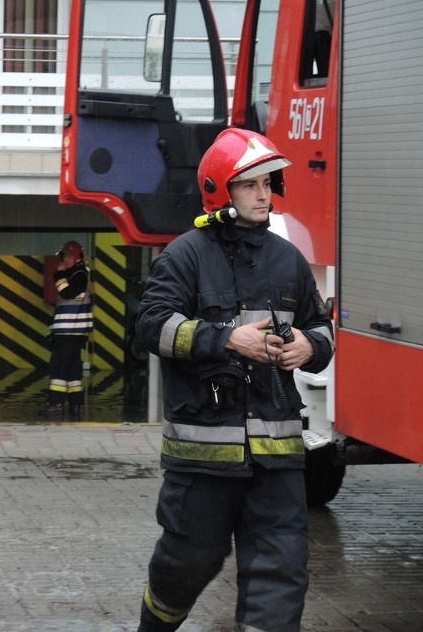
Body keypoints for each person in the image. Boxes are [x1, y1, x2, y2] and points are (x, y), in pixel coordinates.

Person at [134, 128, 335, 632]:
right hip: (203, 461)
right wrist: (226, 338)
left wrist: (311, 346)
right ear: (219, 190)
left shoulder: (287, 259)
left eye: (268, 183)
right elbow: (152, 327)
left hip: (278, 458)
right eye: (250, 185)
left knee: (282, 573)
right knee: (190, 562)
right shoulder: (185, 255)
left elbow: (320, 329)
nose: (264, 195)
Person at [38, 240, 93, 419]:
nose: (65, 259)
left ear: (76, 257)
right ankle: (75, 404)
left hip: (70, 332)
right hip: (69, 332)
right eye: (64, 256)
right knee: (72, 369)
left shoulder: (79, 274)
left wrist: (58, 275)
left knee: (59, 367)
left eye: (69, 255)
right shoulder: (76, 274)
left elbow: (67, 293)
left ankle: (55, 404)